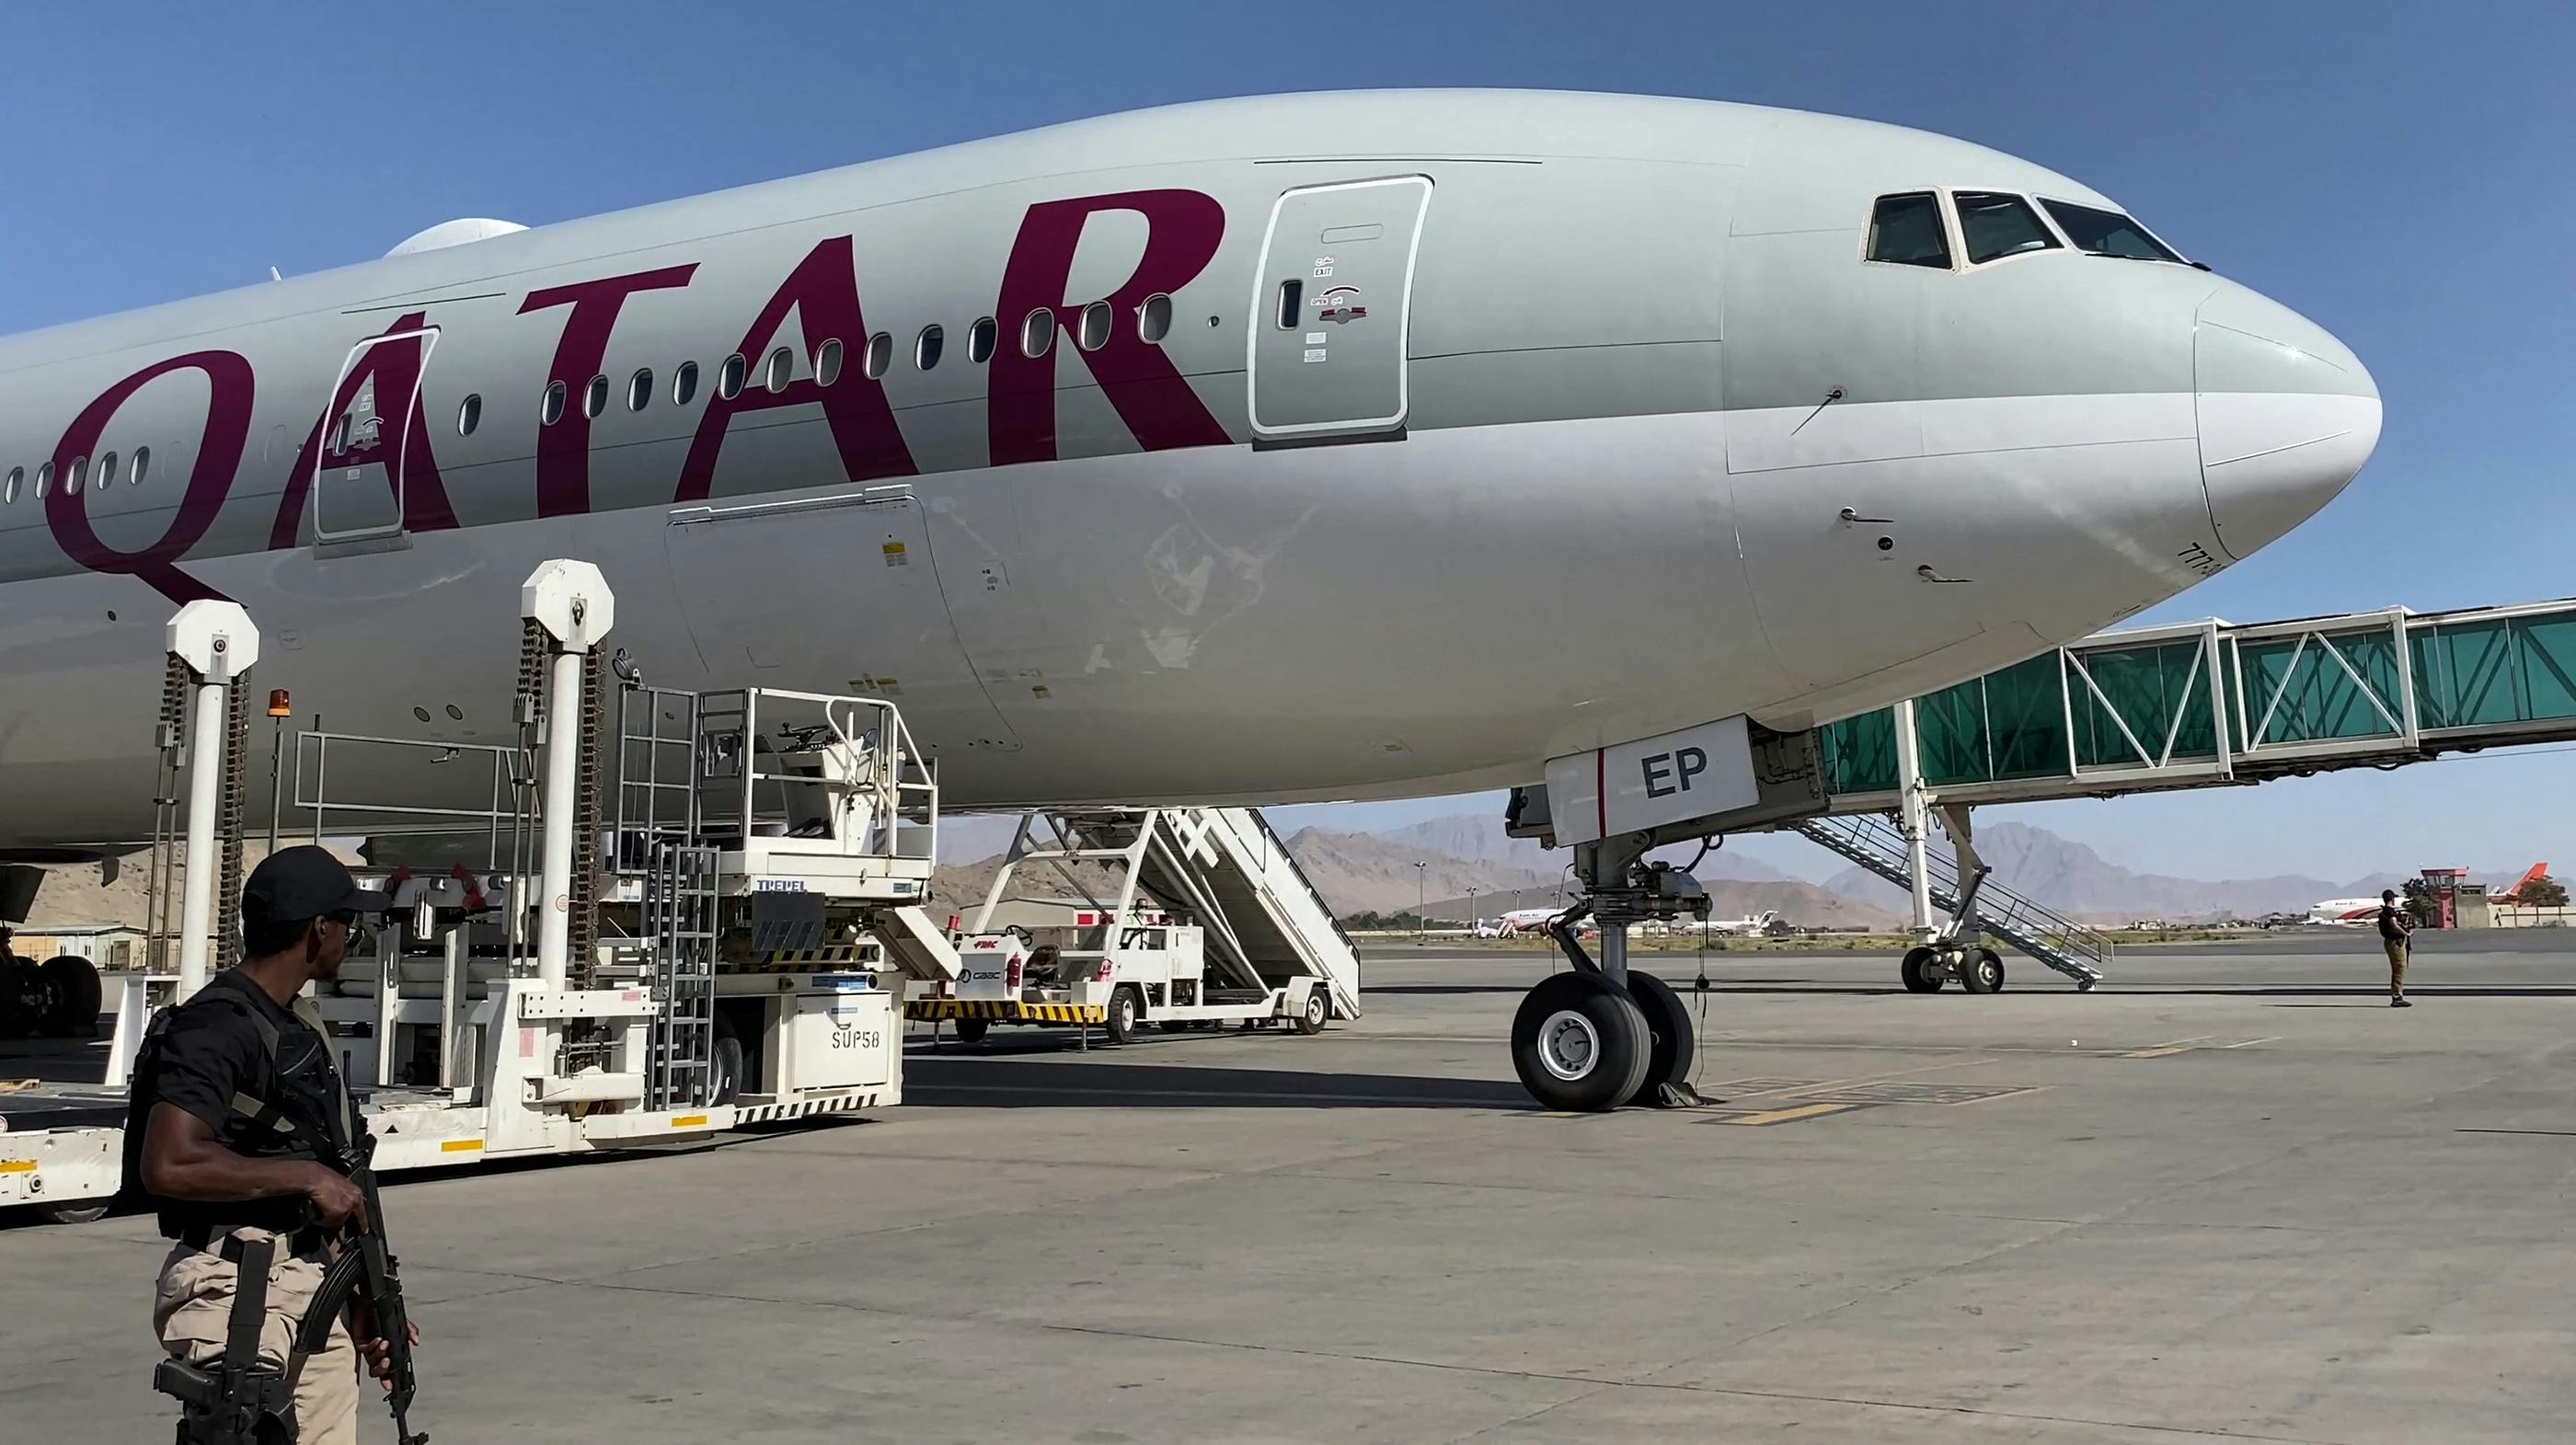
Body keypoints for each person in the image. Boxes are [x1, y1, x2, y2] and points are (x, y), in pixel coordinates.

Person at [125, 846, 415, 1443]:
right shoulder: (214, 1027)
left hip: (309, 1282)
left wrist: (364, 1295)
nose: (350, 937)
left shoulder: (294, 1023)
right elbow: (169, 1161)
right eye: (347, 922)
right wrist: (307, 1178)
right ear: (319, 929)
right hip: (240, 1285)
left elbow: (329, 1168)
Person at [2377, 888, 2415, 1008]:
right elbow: (2394, 924)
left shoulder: (2384, 912)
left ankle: (2397, 994)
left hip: (2391, 942)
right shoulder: (2390, 912)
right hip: (2395, 942)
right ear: (2392, 899)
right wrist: (2406, 933)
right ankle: (2397, 996)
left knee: (2398, 968)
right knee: (2400, 968)